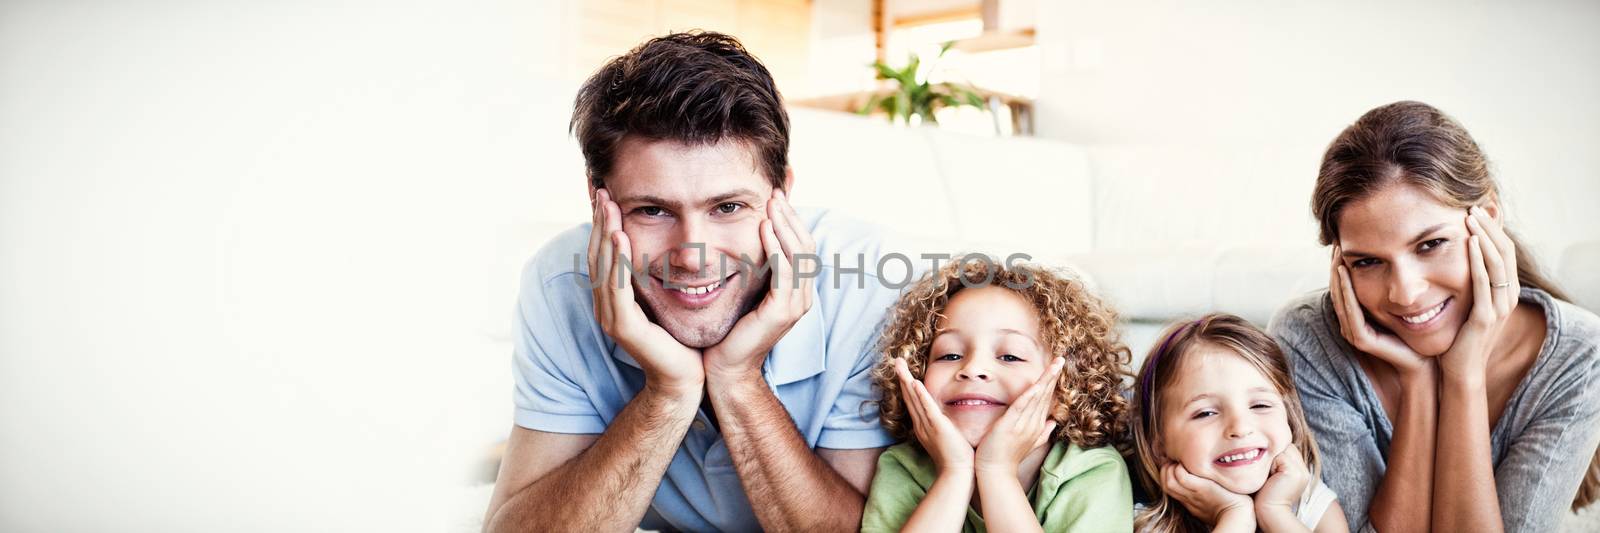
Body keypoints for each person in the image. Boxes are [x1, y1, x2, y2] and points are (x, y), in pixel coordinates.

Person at [482, 31, 913, 532]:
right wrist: (667, 392)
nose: (692, 256)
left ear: (783, 194)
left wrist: (738, 379)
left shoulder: (868, 285)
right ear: (598, 202)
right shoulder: (560, 284)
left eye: (728, 207)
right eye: (652, 210)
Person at [1269, 100, 1600, 532]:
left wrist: (1463, 377)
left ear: (1488, 219)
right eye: (1368, 261)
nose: (1405, 293)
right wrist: (1420, 383)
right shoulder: (1308, 339)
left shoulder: (1580, 355)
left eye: (1430, 244)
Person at [861, 258, 1134, 532]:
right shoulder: (903, 468)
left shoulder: (1091, 471)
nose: (973, 369)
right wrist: (954, 474)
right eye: (950, 355)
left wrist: (996, 471)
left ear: (1065, 390)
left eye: (1010, 356)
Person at [1131, 314, 1348, 533]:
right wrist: (1234, 516)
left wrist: (1275, 511)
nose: (1240, 428)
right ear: (1158, 444)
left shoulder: (1312, 505)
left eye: (1260, 405)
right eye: (1206, 413)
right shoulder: (1148, 524)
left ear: (1289, 418)